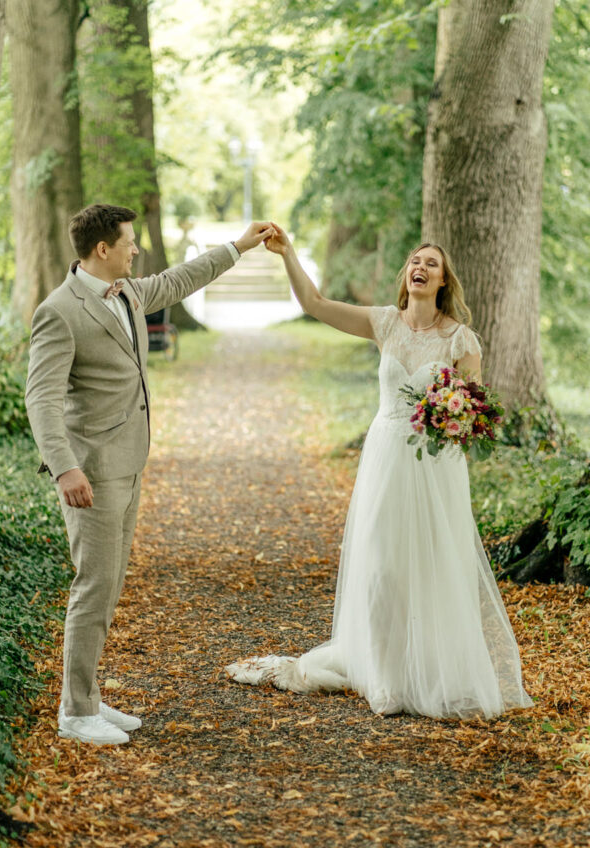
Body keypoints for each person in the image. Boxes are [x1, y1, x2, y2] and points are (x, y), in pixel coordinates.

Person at [226, 226, 533, 719]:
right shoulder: (385, 324)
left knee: (430, 569)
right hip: (387, 457)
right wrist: (288, 255)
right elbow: (316, 303)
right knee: (382, 566)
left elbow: (475, 414)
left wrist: (451, 417)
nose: (421, 267)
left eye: (432, 263)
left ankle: (426, 670)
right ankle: (385, 678)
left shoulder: (460, 338)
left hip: (436, 468)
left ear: (443, 281)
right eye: (416, 260)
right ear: (406, 275)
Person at [26, 203, 274, 745]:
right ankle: (75, 712)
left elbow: (180, 279)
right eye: (129, 242)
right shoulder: (59, 311)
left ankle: (87, 695)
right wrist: (65, 468)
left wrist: (239, 246)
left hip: (129, 461)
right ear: (102, 249)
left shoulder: (130, 293)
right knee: (93, 586)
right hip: (90, 472)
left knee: (110, 585)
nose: (136, 249)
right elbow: (41, 398)